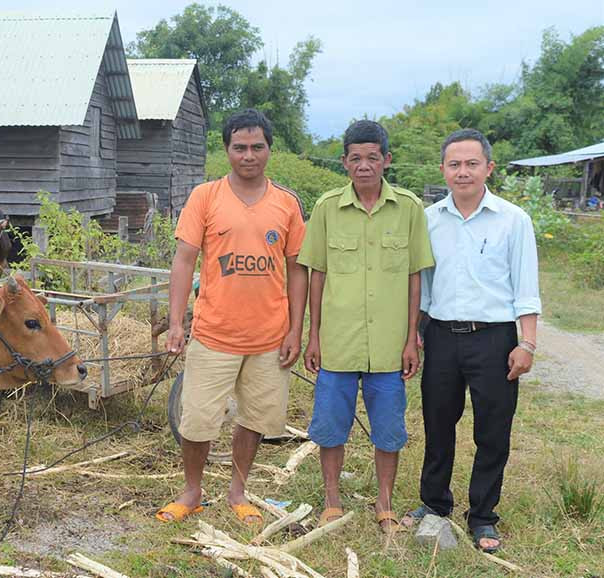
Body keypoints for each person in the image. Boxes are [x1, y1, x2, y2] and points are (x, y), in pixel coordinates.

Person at [157, 109, 308, 524]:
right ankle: (192, 491)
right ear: (226, 150)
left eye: (257, 147)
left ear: (269, 150)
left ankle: (237, 492)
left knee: (256, 418)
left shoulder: (286, 204)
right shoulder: (205, 197)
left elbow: (297, 269)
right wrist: (176, 322)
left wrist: (296, 329)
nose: (248, 155)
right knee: (198, 419)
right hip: (213, 334)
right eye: (239, 147)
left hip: (269, 338)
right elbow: (184, 260)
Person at [403, 129, 540, 553]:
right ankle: (435, 503)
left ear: (488, 168)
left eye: (471, 164)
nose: (463, 172)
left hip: (495, 339)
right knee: (438, 423)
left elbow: (526, 286)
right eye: (454, 164)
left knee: (493, 430)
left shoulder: (512, 220)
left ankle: (483, 516)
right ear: (443, 169)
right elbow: (422, 285)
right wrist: (415, 333)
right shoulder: (428, 220)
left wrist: (527, 343)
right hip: (442, 335)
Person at [297, 120, 434, 534]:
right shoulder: (325, 208)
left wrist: (412, 337)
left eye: (372, 157)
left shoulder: (409, 208)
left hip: (391, 345)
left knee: (389, 430)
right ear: (344, 162)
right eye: (355, 158)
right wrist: (313, 335)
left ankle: (385, 503)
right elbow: (316, 273)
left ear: (386, 160)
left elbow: (414, 277)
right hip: (338, 341)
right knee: (330, 426)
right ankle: (332, 501)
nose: (364, 165)